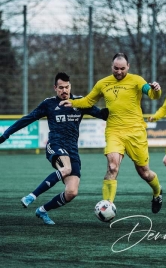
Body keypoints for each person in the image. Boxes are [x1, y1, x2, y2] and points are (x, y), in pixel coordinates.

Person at [59, 53, 163, 213]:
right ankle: (106, 206)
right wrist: (72, 103)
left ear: (128, 67)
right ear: (111, 66)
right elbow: (88, 101)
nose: (119, 71)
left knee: (144, 172)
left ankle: (157, 193)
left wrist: (156, 89)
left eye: (122, 68)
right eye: (116, 68)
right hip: (114, 131)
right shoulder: (103, 83)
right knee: (113, 166)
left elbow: (152, 94)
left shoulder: (137, 80)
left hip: (136, 132)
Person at [0, 72, 109, 224]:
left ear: (70, 86)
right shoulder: (49, 104)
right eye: (61, 88)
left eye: (67, 87)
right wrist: (6, 134)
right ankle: (31, 196)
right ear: (55, 88)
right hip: (55, 145)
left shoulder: (80, 102)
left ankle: (42, 211)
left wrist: (111, 108)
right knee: (66, 168)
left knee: (72, 192)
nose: (64, 91)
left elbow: (102, 114)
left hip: (72, 151)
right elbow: (27, 119)